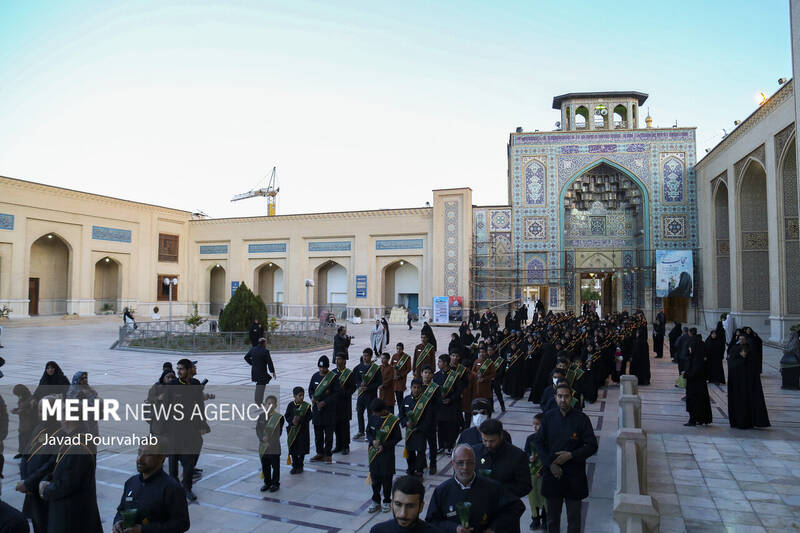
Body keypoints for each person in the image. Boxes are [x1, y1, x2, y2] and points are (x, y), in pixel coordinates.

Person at [532, 384, 599, 533]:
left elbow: (592, 445)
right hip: (552, 475)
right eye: (560, 396)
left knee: (574, 519)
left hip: (574, 476)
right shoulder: (548, 417)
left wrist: (571, 455)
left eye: (566, 396)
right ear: (555, 398)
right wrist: (550, 464)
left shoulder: (581, 419)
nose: (563, 400)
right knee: (552, 519)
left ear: (571, 398)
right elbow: (538, 442)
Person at [425, 444, 521, 532]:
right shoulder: (441, 491)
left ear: (475, 463)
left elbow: (515, 508)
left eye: (469, 462)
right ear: (452, 464)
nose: (465, 467)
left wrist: (493, 528)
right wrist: (454, 529)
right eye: (460, 463)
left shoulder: (492, 487)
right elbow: (431, 521)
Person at [39, 418, 103, 533]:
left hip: (72, 518)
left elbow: (68, 483)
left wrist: (46, 490)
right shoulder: (75, 439)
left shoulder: (78, 446)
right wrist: (46, 480)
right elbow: (57, 466)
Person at [112, 443, 190, 532]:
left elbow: (182, 524)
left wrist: (143, 530)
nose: (140, 459)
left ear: (161, 458)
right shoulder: (131, 482)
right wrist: (118, 521)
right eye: (139, 452)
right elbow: (121, 510)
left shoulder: (172, 488)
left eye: (147, 454)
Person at [472, 419, 530, 533]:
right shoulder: (475, 452)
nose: (488, 444)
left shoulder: (517, 456)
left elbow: (526, 485)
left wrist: (499, 491)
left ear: (501, 436)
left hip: (505, 514)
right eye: (484, 440)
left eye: (492, 441)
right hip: (479, 514)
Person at [167, 359, 207, 502]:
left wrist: (202, 424)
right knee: (173, 467)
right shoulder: (172, 385)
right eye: (177, 369)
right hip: (175, 432)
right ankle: (173, 490)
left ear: (189, 369)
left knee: (189, 464)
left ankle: (187, 488)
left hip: (191, 432)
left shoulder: (196, 384)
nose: (178, 372)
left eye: (182, 369)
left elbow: (200, 406)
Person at [367, 398, 402, 513]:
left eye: (376, 412)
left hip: (386, 456)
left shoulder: (393, 421)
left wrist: (385, 445)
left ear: (382, 411)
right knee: (375, 479)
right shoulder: (373, 417)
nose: (374, 414)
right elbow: (368, 432)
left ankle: (387, 500)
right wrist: (372, 441)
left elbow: (397, 438)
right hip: (374, 455)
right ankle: (376, 500)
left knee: (386, 480)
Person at [369, 475, 438, 532]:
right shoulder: (377, 531)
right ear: (392, 503)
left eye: (410, 506)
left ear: (421, 507)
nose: (403, 514)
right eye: (398, 504)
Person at [400, 378, 438, 477]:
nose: (416, 390)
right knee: (410, 451)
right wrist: (406, 423)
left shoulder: (425, 401)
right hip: (409, 431)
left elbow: (428, 418)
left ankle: (419, 470)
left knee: (421, 451)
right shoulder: (406, 399)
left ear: (421, 389)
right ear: (411, 388)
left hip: (420, 431)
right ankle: (411, 468)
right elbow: (401, 415)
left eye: (418, 388)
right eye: (414, 387)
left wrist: (419, 428)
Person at [727, 345, 770, 429]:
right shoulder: (735, 363)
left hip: (748, 390)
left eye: (745, 352)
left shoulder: (749, 362)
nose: (744, 354)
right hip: (738, 390)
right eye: (742, 352)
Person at [309, 355, 340, 463]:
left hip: (329, 411)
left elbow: (337, 394)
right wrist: (312, 397)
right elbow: (310, 390)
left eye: (324, 368)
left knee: (329, 435)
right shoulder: (314, 376)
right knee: (318, 435)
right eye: (320, 367)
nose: (322, 370)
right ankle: (319, 453)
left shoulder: (333, 378)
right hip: (317, 411)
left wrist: (325, 402)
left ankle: (328, 454)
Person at [683, 329, 712, 426]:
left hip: (694, 381)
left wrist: (687, 373)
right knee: (701, 399)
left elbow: (687, 358)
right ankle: (701, 418)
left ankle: (693, 419)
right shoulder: (701, 347)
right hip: (701, 380)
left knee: (693, 400)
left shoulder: (693, 357)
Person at [434, 354, 462, 455]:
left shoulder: (454, 376)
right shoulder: (436, 376)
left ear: (445, 363)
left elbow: (459, 391)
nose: (438, 364)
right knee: (440, 427)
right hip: (440, 406)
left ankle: (450, 446)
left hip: (451, 406)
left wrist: (450, 399)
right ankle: (441, 446)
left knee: (450, 427)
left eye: (440, 362)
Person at [256, 395, 284, 492]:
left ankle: (275, 483)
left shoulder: (279, 418)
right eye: (268, 403)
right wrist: (262, 438)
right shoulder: (261, 416)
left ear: (275, 405)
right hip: (263, 446)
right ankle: (267, 483)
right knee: (265, 466)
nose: (270, 405)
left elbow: (278, 433)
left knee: (275, 466)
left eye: (272, 403)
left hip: (274, 447)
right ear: (265, 404)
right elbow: (258, 430)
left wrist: (269, 441)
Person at [354, 348, 382, 441]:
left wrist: (369, 388)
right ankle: (361, 431)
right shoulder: (359, 367)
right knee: (359, 413)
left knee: (371, 415)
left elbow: (379, 381)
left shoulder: (375, 368)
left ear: (370, 356)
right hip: (361, 395)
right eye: (364, 355)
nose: (365, 357)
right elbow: (356, 379)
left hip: (371, 395)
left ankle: (370, 432)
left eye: (366, 356)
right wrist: (359, 385)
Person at [525, 413, 547, 531]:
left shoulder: (548, 440)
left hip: (543, 473)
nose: (535, 427)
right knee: (533, 496)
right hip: (532, 473)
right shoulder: (530, 438)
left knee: (544, 496)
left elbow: (550, 457)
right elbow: (526, 451)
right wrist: (529, 457)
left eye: (538, 424)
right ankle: (535, 517)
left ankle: (545, 518)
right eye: (534, 424)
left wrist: (543, 470)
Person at [332, 353, 356, 455]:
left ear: (344, 361)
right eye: (336, 359)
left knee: (345, 426)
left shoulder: (349, 373)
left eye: (340, 359)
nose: (337, 361)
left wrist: (346, 393)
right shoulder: (332, 373)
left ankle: (345, 446)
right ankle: (338, 445)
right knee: (336, 426)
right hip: (335, 404)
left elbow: (353, 387)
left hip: (345, 403)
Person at [285, 386, 312, 474]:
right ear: (294, 396)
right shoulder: (290, 405)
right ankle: (294, 465)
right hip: (292, 430)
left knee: (301, 449)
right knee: (293, 449)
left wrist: (300, 420)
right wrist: (292, 421)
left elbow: (309, 417)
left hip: (302, 431)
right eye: (299, 395)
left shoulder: (306, 406)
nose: (301, 397)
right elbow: (287, 416)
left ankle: (300, 465)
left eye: (303, 395)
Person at [244, 338, 277, 405]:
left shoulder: (253, 349)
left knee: (258, 386)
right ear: (264, 343)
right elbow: (269, 362)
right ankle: (259, 402)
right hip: (262, 372)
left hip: (255, 371)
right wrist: (273, 371)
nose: (266, 344)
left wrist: (252, 363)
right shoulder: (265, 351)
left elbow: (246, 357)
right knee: (261, 387)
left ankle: (257, 401)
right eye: (266, 342)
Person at [11, 384, 35, 460]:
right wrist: (16, 409)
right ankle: (21, 452)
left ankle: (27, 454)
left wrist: (21, 412)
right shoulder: (22, 399)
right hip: (23, 424)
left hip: (29, 424)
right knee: (21, 438)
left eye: (19, 394)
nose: (18, 396)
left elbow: (33, 412)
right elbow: (21, 407)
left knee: (27, 439)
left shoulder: (31, 399)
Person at [390, 343, 412, 415]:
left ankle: (401, 412)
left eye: (400, 349)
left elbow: (408, 369)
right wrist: (393, 374)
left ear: (403, 349)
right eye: (397, 349)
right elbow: (391, 366)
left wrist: (401, 375)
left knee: (400, 397)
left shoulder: (407, 357)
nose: (398, 350)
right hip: (394, 379)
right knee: (395, 396)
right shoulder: (394, 356)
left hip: (401, 380)